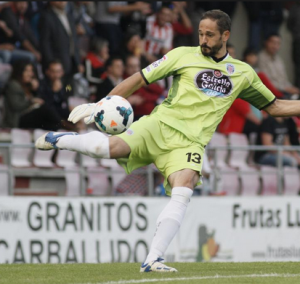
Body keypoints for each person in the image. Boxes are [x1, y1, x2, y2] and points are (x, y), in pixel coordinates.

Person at [35, 10, 300, 272]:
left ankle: (153, 260)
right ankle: (60, 139)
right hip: (158, 126)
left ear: (225, 36)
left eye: (210, 35)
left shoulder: (243, 73)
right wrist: (100, 104)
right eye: (200, 34)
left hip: (190, 144)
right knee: (104, 149)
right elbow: (139, 79)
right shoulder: (182, 55)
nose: (204, 40)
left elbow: (275, 106)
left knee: (184, 189)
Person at [258, 33, 300, 99]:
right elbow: (266, 82)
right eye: (273, 42)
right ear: (266, 42)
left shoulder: (278, 59)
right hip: (271, 94)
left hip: (283, 91)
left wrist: (291, 88)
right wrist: (286, 88)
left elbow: (284, 79)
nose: (275, 46)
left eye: (278, 43)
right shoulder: (260, 58)